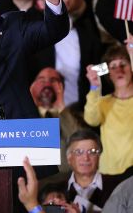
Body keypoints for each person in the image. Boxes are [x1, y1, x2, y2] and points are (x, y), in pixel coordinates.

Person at [84, 44, 133, 175]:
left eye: (123, 64)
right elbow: (91, 120)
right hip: (109, 175)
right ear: (108, 74)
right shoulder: (104, 102)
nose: (119, 70)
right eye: (113, 67)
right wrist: (94, 87)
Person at [63, 130, 124, 212]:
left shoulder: (120, 187)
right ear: (69, 158)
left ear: (99, 157)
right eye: (79, 152)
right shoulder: (55, 191)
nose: (86, 158)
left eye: (92, 152)